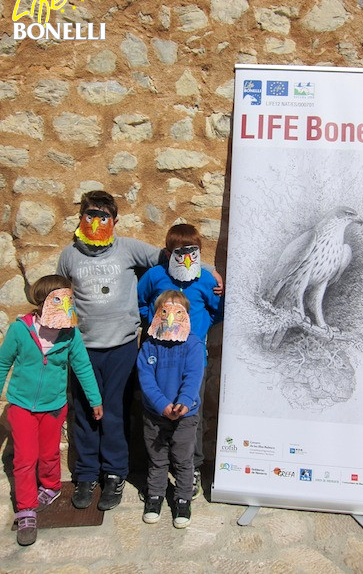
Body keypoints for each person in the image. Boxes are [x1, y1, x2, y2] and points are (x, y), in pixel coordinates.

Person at [57, 191, 222, 511]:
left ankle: (117, 474)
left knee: (119, 411)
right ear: (80, 217)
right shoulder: (68, 255)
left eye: (103, 217)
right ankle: (88, 474)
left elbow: (175, 257)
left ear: (115, 221)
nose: (95, 222)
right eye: (89, 215)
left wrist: (211, 270)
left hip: (122, 347)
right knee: (84, 412)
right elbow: (63, 293)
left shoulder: (129, 248)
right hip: (84, 348)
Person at [0, 275, 103, 546]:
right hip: (22, 406)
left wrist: (95, 400)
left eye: (69, 299)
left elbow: (82, 366)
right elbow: (2, 364)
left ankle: (51, 486)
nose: (67, 303)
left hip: (54, 407)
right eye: (60, 299)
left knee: (48, 455)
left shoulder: (70, 334)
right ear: (43, 300)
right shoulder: (20, 331)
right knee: (25, 458)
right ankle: (26, 510)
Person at [138, 223, 224, 499]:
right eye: (179, 252)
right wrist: (153, 324)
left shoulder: (206, 279)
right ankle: (158, 466)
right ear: (168, 252)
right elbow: (141, 301)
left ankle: (192, 465)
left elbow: (217, 309)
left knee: (191, 413)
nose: (186, 258)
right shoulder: (155, 276)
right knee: (154, 410)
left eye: (193, 252)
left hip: (192, 357)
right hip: (158, 356)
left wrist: (202, 328)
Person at [137, 290, 204, 528]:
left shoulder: (193, 344)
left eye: (178, 311)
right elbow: (146, 378)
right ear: (156, 314)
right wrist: (162, 405)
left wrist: (183, 402)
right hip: (156, 415)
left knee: (184, 459)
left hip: (185, 416)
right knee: (157, 459)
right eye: (165, 311)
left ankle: (183, 499)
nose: (171, 317)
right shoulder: (149, 346)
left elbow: (194, 376)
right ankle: (155, 496)